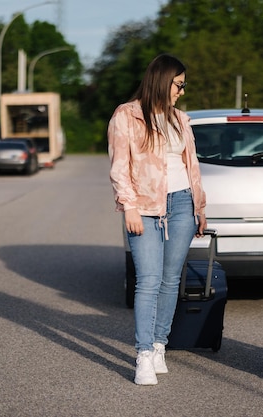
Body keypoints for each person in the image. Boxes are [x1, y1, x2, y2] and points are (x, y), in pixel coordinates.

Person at [107, 54, 207, 386]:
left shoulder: (180, 119)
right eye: (179, 84)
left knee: (170, 280)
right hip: (146, 208)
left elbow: (192, 168)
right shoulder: (127, 115)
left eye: (184, 85)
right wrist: (129, 206)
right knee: (148, 281)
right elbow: (120, 167)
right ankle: (144, 355)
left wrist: (199, 209)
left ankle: (160, 344)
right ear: (163, 80)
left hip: (182, 206)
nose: (181, 90)